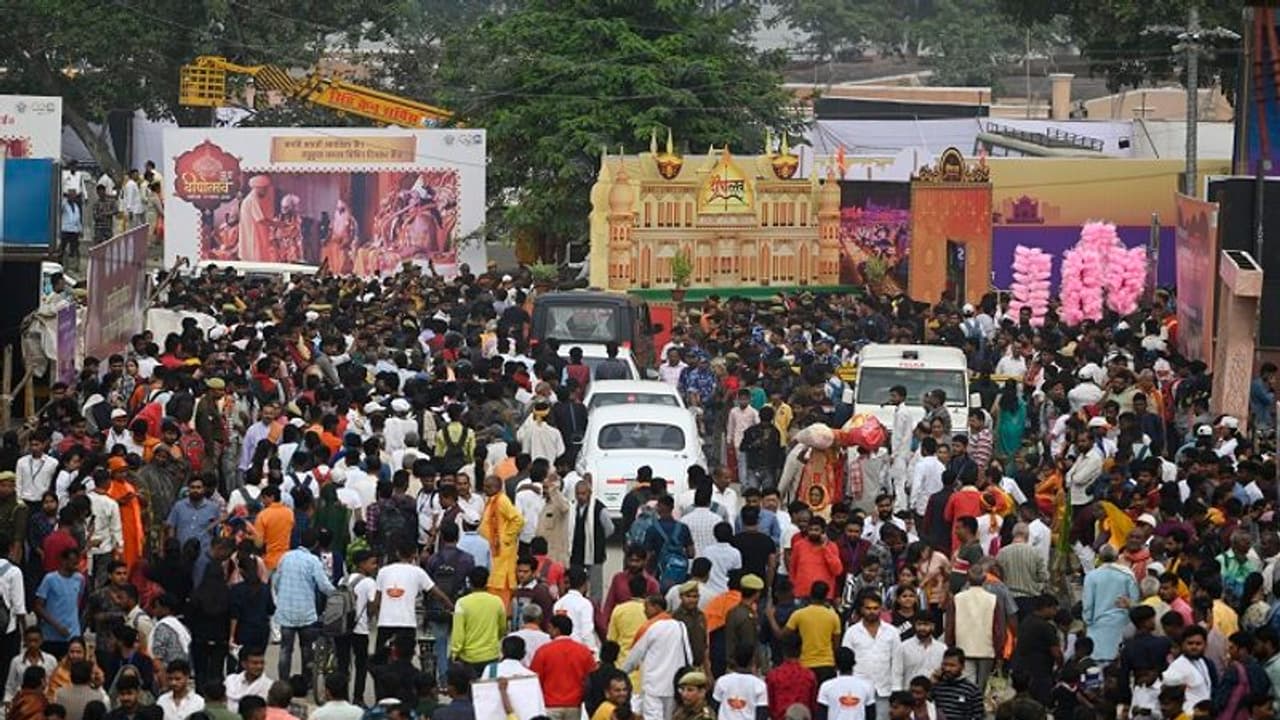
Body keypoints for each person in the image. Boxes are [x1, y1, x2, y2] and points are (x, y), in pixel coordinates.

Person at [271, 529, 334, 686]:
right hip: (306, 612)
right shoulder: (313, 560)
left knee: (285, 650)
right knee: (307, 650)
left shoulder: (285, 557)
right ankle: (306, 682)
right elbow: (323, 585)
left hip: (286, 612)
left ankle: (283, 682)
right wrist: (337, 593)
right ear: (316, 544)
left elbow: (277, 581)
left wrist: (282, 597)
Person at [620, 594, 693, 720]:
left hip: (653, 685)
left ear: (657, 607)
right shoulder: (680, 626)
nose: (644, 611)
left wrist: (620, 673)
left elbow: (635, 656)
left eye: (646, 607)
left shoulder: (650, 627)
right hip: (673, 685)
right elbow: (689, 657)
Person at [841, 592, 901, 719]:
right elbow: (844, 660)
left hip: (884, 689)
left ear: (881, 609)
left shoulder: (892, 632)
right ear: (861, 609)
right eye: (868, 608)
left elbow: (897, 662)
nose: (872, 612)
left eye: (875, 608)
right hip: (858, 687)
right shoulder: (852, 632)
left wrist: (896, 688)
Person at [529, 615, 597, 720]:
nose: (548, 631)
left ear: (556, 630)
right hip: (574, 704)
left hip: (550, 704)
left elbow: (535, 677)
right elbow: (591, 676)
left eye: (550, 628)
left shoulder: (543, 651)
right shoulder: (583, 651)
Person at [450, 566, 507, 676]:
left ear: (469, 582)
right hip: (491, 655)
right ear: (487, 581)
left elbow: (458, 633)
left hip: (469, 657)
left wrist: (454, 652)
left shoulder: (462, 603)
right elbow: (502, 628)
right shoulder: (497, 602)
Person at [479, 473, 524, 608]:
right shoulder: (491, 500)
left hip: (502, 552)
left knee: (500, 588)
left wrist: (506, 538)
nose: (485, 489)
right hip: (492, 550)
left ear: (496, 487)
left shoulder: (502, 500)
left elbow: (518, 520)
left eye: (488, 487)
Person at [1009, 594, 1061, 706]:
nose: (1055, 612)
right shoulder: (1046, 627)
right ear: (1046, 608)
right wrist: (1060, 666)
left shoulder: (1026, 621)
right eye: (1054, 609)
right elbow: (1056, 652)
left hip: (1023, 673)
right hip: (1041, 674)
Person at [35, 547, 86, 658]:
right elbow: (38, 606)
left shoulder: (80, 579)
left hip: (72, 633)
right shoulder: (50, 579)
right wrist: (56, 625)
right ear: (63, 561)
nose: (76, 566)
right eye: (73, 563)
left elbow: (79, 600)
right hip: (51, 635)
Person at [766, 634, 817, 720]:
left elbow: (770, 705)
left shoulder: (773, 675)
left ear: (783, 651)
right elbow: (813, 706)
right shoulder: (809, 676)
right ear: (801, 650)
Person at [712, 645, 769, 720]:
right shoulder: (759, 685)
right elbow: (762, 714)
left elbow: (715, 706)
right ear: (753, 661)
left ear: (734, 660)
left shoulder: (722, 681)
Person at [6, 626, 58, 702]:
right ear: (25, 641)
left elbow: (56, 683)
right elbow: (10, 686)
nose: (32, 644)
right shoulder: (16, 661)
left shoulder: (51, 660)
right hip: (22, 701)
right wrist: (7, 700)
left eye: (35, 641)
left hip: (46, 700)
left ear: (41, 641)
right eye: (29, 641)